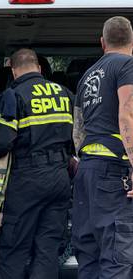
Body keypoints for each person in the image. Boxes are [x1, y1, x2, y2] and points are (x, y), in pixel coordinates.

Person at [0, 49, 73, 279]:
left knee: (14, 249)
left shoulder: (12, 95)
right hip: (60, 179)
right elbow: (76, 140)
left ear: (14, 71)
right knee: (47, 251)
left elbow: (2, 143)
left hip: (28, 180)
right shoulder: (64, 93)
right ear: (39, 68)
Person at [72, 16, 133, 279]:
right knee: (116, 256)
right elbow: (127, 115)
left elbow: (78, 130)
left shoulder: (87, 76)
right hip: (113, 171)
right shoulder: (128, 65)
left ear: (102, 43)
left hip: (87, 171)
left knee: (89, 253)